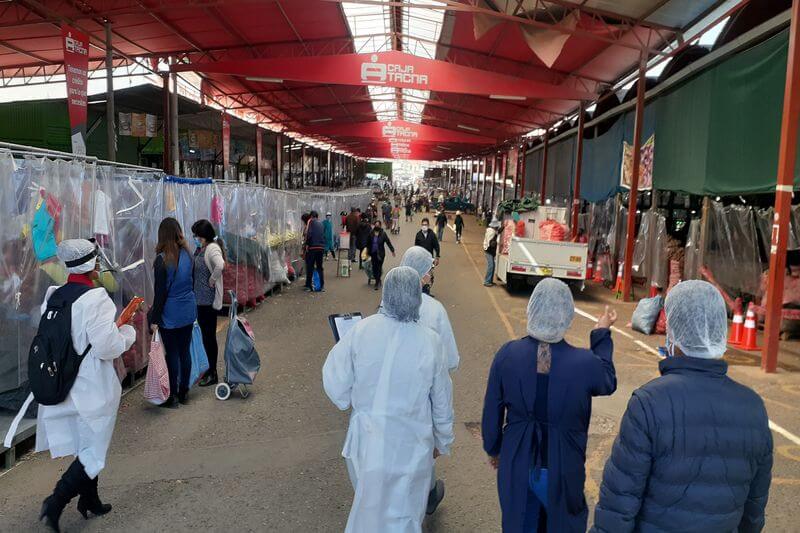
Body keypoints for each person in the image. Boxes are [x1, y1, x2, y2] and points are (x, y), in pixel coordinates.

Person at [592, 280, 773, 533]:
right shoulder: (753, 407)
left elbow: (620, 501)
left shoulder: (649, 402)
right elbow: (754, 510)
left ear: (674, 333)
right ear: (720, 331)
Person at [322, 267, 455, 532]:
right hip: (411, 445)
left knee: (369, 511)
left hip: (366, 442)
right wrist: (442, 440)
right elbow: (442, 401)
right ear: (417, 298)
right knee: (405, 516)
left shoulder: (361, 331)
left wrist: (349, 400)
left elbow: (334, 378)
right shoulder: (430, 342)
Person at [482, 279, 617, 532]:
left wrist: (494, 448)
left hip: (518, 460)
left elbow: (492, 411)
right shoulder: (584, 363)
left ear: (531, 309)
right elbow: (607, 380)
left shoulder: (507, 355)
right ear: (567, 315)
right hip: (562, 467)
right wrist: (601, 333)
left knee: (519, 524)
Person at [30, 239, 136, 531]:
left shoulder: (54, 296)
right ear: (92, 265)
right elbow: (106, 347)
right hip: (90, 386)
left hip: (63, 383)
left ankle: (89, 499)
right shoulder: (96, 298)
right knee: (94, 449)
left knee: (86, 444)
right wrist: (127, 332)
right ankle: (55, 502)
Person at [400, 247, 460, 514]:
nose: (430, 276)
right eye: (429, 272)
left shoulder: (386, 304)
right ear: (423, 275)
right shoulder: (434, 310)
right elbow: (451, 360)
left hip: (393, 397)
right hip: (422, 398)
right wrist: (442, 437)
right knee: (424, 450)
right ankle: (426, 496)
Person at [149, 218, 197, 408]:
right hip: (188, 308)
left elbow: (160, 294)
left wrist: (155, 319)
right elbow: (191, 282)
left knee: (173, 353)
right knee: (185, 351)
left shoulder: (162, 260)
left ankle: (172, 395)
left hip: (170, 312)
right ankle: (184, 391)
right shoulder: (188, 254)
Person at [191, 219, 225, 387]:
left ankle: (213, 373)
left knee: (209, 337)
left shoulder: (211, 248)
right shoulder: (202, 248)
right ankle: (208, 370)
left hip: (207, 301)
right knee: (205, 337)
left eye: (196, 235)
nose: (194, 237)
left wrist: (212, 280)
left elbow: (220, 265)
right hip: (200, 299)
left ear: (202, 236)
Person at [367, 221, 395, 290]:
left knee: (379, 267)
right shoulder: (371, 233)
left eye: (378, 225)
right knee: (374, 268)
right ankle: (378, 279)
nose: (376, 226)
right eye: (375, 225)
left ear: (380, 226)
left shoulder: (383, 234)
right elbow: (368, 243)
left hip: (380, 254)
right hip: (373, 253)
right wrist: (367, 251)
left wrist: (392, 250)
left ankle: (377, 282)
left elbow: (388, 242)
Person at [304, 211, 325, 292]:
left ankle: (309, 286)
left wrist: (307, 244)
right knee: (320, 267)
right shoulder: (321, 224)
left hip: (313, 248)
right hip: (321, 248)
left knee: (310, 266)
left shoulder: (311, 223)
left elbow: (309, 234)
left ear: (311, 216)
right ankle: (321, 286)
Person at [483, 220, 500, 287]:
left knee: (492, 266)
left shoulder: (492, 230)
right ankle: (487, 281)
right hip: (489, 250)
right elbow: (491, 243)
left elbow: (498, 232)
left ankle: (490, 281)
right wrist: (495, 242)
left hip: (489, 251)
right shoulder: (491, 231)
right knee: (491, 266)